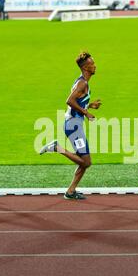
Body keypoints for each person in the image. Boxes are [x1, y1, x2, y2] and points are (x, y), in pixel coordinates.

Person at [39, 52, 102, 200]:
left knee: (83, 162)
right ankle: (56, 147)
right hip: (73, 125)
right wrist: (86, 113)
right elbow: (69, 101)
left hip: (74, 123)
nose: (95, 65)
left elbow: (78, 101)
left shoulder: (83, 82)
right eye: (92, 64)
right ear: (86, 67)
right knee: (86, 162)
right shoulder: (83, 83)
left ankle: (71, 191)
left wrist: (90, 105)